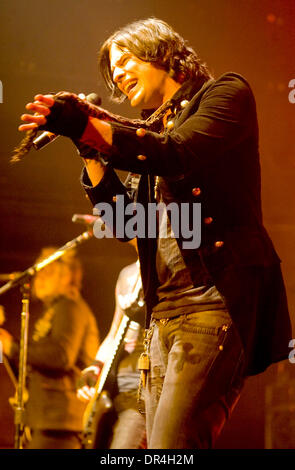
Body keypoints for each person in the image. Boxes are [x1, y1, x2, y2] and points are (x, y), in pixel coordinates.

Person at [18, 18, 292, 449]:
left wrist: (90, 127)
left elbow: (177, 153)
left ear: (161, 53)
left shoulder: (225, 93)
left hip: (214, 301)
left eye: (125, 60)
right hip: (162, 316)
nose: (118, 75)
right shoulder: (153, 134)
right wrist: (89, 148)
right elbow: (128, 226)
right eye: (112, 71)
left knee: (171, 447)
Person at [0, 247, 99, 449]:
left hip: (59, 422)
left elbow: (61, 356)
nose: (40, 277)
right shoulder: (51, 311)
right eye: (40, 271)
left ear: (67, 277)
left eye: (50, 271)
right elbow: (28, 361)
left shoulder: (70, 308)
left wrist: (13, 347)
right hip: (44, 420)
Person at [77, 241, 146, 449]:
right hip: (113, 390)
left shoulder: (166, 267)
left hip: (141, 391)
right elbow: (115, 331)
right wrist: (95, 367)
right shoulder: (127, 274)